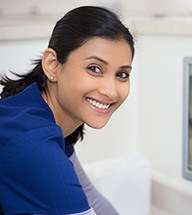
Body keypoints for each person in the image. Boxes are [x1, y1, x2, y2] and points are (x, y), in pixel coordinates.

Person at [0, 5, 134, 215]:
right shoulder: (35, 145)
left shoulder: (40, 112)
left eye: (122, 74)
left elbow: (93, 199)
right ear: (52, 65)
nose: (111, 91)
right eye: (94, 68)